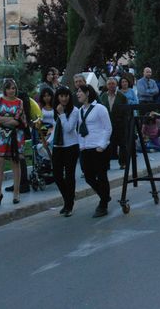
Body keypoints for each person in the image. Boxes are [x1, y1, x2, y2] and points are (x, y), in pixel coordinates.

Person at [0, 79, 27, 205]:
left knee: (15, 162)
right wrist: (7, 119)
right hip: (1, 135)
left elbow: (17, 120)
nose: (12, 90)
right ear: (5, 89)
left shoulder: (19, 102)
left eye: (14, 88)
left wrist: (2, 119)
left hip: (15, 135)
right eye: (9, 88)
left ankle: (16, 193)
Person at [76, 84, 112, 218]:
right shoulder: (80, 111)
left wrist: (102, 145)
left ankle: (103, 204)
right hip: (85, 148)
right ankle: (105, 195)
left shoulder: (100, 109)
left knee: (102, 176)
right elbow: (80, 130)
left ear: (88, 93)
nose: (78, 94)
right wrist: (81, 146)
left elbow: (108, 128)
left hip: (98, 148)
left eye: (80, 92)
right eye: (77, 92)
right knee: (88, 177)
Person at [51, 86, 80, 217]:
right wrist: (48, 140)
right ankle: (67, 199)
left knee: (69, 176)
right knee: (57, 175)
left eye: (66, 95)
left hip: (71, 146)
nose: (64, 98)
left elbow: (68, 128)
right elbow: (56, 128)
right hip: (58, 146)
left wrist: (62, 114)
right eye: (61, 96)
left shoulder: (74, 111)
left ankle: (69, 205)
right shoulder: (56, 110)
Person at [99, 77, 128, 169]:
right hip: (106, 125)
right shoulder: (103, 96)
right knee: (107, 145)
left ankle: (123, 163)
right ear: (106, 85)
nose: (111, 86)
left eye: (113, 84)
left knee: (122, 144)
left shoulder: (122, 96)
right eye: (109, 84)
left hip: (119, 124)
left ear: (116, 85)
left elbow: (126, 112)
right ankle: (106, 164)